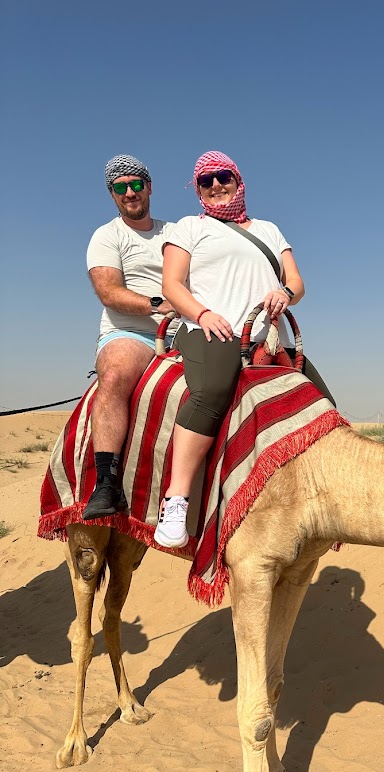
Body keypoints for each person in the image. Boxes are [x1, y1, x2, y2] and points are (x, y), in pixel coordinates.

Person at [153, 150, 334, 549]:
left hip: (268, 337)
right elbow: (172, 286)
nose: (216, 185)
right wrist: (202, 314)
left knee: (324, 404)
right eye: (206, 181)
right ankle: (176, 498)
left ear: (238, 181)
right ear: (198, 189)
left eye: (224, 177)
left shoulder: (269, 230)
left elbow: (297, 283)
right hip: (210, 329)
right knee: (213, 390)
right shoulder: (188, 228)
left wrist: (284, 293)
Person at [83, 154, 178, 520]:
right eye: (120, 187)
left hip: (185, 330)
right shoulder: (107, 236)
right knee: (115, 376)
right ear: (112, 194)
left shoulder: (176, 233)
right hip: (131, 331)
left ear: (149, 187)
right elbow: (109, 292)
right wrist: (158, 305)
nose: (130, 193)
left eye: (136, 184)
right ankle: (106, 484)